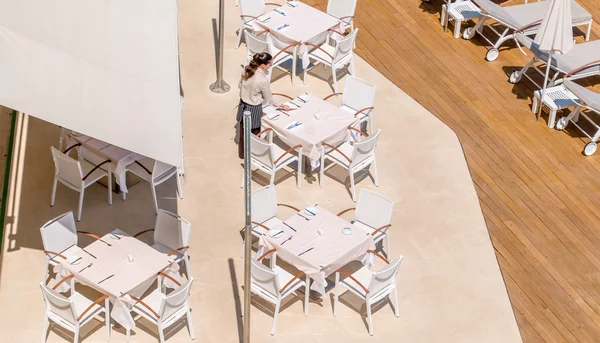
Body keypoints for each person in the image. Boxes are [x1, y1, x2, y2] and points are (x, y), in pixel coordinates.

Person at [237, 52, 291, 159]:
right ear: (263, 65)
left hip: (242, 105)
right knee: (255, 133)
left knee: (244, 131)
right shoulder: (262, 80)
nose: (271, 65)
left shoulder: (247, 69)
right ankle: (255, 155)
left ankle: (242, 154)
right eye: (270, 64)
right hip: (254, 108)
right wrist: (281, 106)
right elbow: (268, 98)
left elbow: (240, 85)